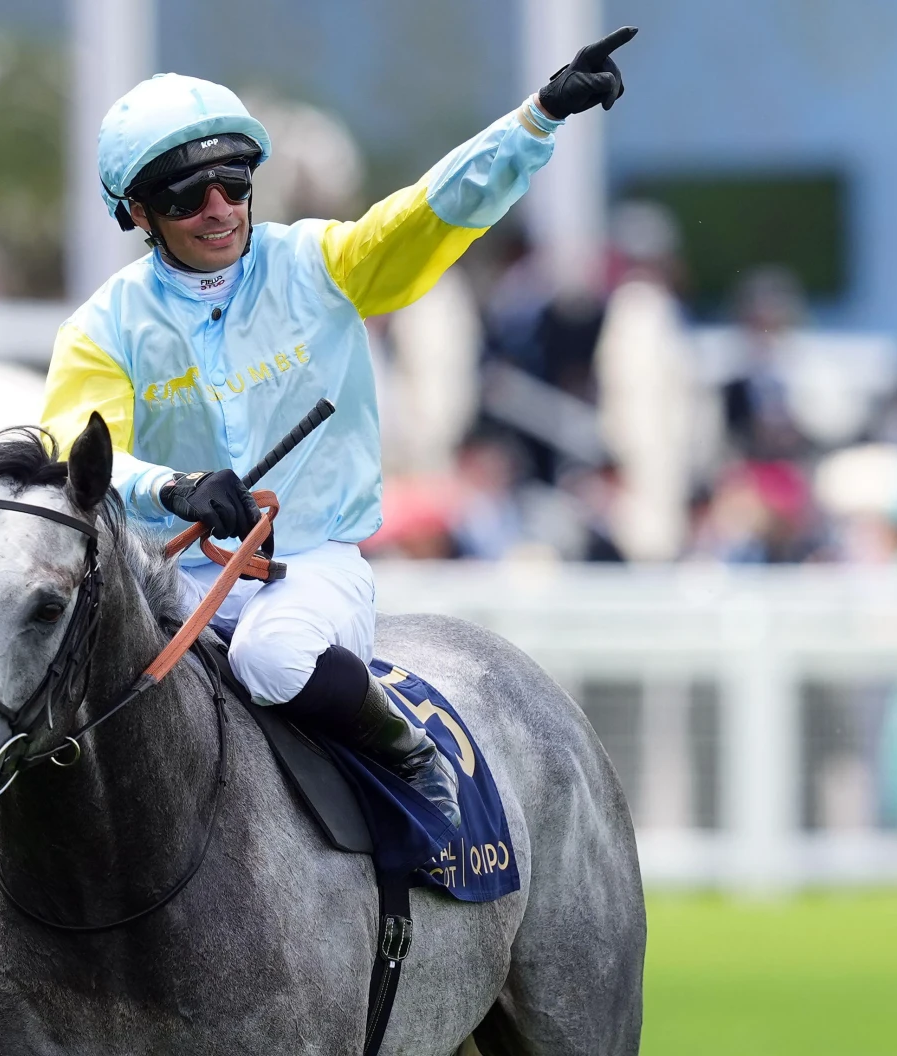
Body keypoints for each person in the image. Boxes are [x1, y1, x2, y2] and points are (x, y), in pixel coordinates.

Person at [42, 29, 637, 827]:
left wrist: (534, 121)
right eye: (187, 197)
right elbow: (73, 462)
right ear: (139, 213)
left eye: (233, 182)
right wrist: (170, 489)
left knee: (270, 657)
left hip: (308, 567)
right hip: (171, 579)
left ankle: (411, 759)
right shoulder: (102, 328)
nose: (219, 209)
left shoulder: (320, 263)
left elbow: (429, 212)